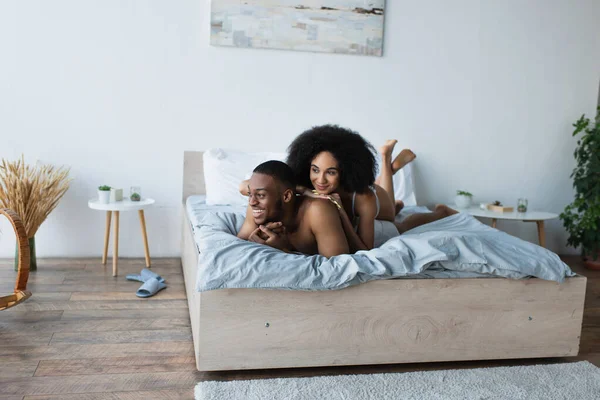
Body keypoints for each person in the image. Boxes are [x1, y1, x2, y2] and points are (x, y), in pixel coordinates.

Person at [237, 160, 457, 257]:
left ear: (285, 196)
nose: (252, 202)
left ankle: (440, 212)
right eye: (251, 194)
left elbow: (340, 261)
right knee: (393, 212)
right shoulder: (257, 208)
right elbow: (242, 241)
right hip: (337, 218)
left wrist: (285, 248)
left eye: (260, 195)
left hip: (355, 226)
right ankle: (397, 206)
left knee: (399, 227)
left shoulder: (317, 210)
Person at [286, 124, 418, 252]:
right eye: (315, 170)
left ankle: (386, 159)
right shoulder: (307, 184)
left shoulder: (364, 198)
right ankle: (394, 188)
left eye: (331, 172)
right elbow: (288, 186)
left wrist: (341, 211)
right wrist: (306, 191)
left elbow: (366, 249)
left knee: (397, 221)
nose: (320, 180)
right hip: (358, 195)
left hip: (379, 199)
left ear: (345, 171)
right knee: (397, 205)